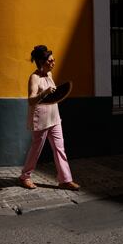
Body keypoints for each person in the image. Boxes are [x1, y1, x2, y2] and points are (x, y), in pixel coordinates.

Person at [19, 45, 80, 190]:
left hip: (54, 116)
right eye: (50, 61)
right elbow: (31, 100)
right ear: (41, 62)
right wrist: (44, 92)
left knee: (60, 148)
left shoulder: (50, 75)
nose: (53, 63)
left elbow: (54, 96)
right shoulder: (34, 77)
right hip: (40, 118)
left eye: (54, 60)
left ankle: (65, 180)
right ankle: (24, 177)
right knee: (36, 149)